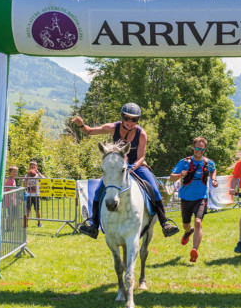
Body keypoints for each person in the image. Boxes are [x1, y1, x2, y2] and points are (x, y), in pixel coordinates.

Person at [72, 103, 180, 238]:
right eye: (127, 118)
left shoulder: (141, 134)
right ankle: (94, 225)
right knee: (99, 190)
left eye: (134, 120)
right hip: (117, 167)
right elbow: (89, 131)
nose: (130, 122)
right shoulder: (113, 127)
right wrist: (81, 125)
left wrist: (131, 168)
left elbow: (141, 157)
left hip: (138, 166)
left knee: (154, 188)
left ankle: (165, 223)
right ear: (122, 117)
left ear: (137, 120)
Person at [169, 137, 218, 263]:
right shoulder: (184, 162)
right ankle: (188, 231)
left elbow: (213, 170)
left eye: (202, 149)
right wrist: (180, 175)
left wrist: (213, 179)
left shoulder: (208, 162)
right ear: (193, 147)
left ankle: (194, 250)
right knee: (186, 224)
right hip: (186, 198)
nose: (199, 151)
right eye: (197, 148)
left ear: (204, 149)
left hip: (201, 197)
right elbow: (171, 178)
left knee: (198, 222)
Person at [25, 161, 44, 227]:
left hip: (36, 195)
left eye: (34, 166)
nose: (33, 168)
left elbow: (44, 179)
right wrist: (27, 176)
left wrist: (38, 172)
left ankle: (39, 223)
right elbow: (24, 184)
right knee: (28, 209)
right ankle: (26, 223)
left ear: (37, 167)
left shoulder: (38, 174)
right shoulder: (27, 174)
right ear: (29, 167)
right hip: (29, 195)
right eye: (31, 166)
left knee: (37, 209)